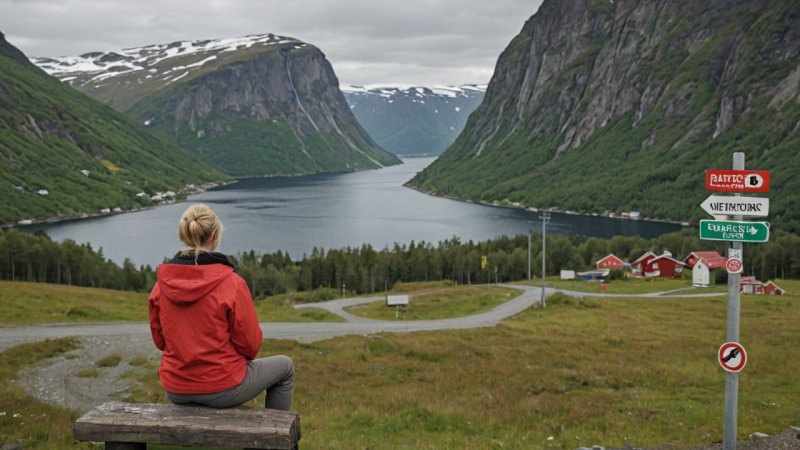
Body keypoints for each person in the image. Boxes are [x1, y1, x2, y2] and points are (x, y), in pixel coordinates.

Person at [148, 203, 294, 410]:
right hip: (222, 387)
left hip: (176, 388)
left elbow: (160, 341)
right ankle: (276, 438)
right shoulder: (232, 283)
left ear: (185, 234)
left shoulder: (160, 286)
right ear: (215, 235)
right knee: (285, 367)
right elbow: (250, 346)